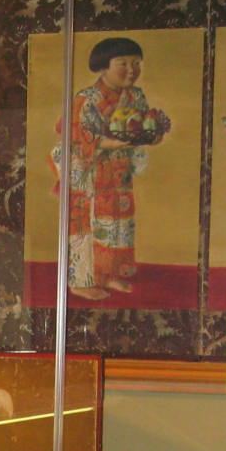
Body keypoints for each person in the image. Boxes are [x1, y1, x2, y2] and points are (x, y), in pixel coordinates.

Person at [52, 36, 169, 301]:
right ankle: (80, 281)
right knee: (87, 225)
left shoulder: (135, 95)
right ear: (103, 66)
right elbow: (76, 135)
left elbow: (141, 126)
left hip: (119, 169)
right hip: (89, 170)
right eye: (123, 63)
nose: (132, 70)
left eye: (136, 63)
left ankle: (107, 273)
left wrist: (152, 134)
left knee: (117, 223)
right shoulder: (88, 98)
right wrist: (110, 143)